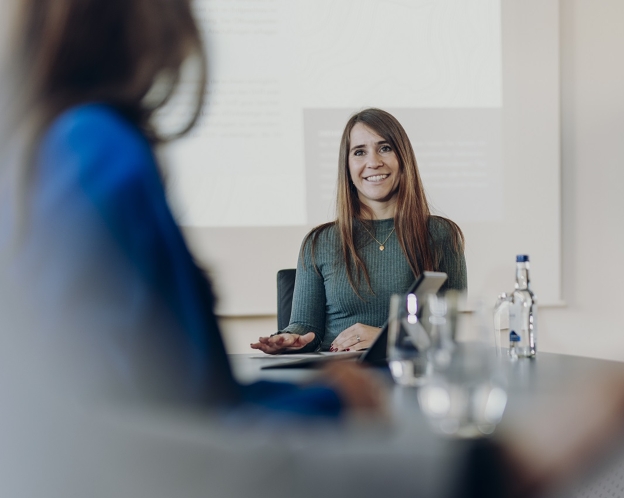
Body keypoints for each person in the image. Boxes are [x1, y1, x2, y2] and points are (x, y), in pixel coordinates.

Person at [0, 0, 383, 420]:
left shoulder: (49, 146)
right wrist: (331, 404)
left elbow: (179, 398)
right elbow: (178, 424)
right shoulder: (99, 148)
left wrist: (318, 395)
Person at [251, 108, 466, 355]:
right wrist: (290, 337)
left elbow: (447, 329)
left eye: (385, 148)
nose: (373, 162)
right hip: (341, 378)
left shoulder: (441, 234)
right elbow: (306, 326)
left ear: (403, 158)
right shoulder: (319, 242)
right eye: (359, 152)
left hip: (410, 373)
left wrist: (386, 336)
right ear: (348, 165)